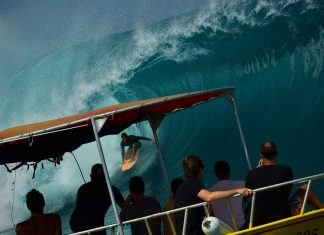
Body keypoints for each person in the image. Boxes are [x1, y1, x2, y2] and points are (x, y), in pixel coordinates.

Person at [174, 155, 251, 235]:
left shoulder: (183, 187)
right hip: (193, 232)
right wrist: (237, 191)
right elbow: (209, 197)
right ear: (200, 169)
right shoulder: (193, 184)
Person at [245, 141, 294, 227]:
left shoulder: (251, 174)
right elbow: (287, 191)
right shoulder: (286, 171)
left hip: (259, 222)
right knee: (305, 189)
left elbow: (247, 196)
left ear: (261, 156)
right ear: (276, 154)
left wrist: (256, 170)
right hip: (283, 217)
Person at [70, 164, 125, 235]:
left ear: (91, 176)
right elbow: (125, 208)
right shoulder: (112, 190)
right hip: (94, 225)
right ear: (106, 176)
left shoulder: (83, 188)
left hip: (76, 223)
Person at [208, 161, 245, 230]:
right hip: (241, 226)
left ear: (216, 173)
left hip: (223, 229)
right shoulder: (241, 184)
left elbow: (210, 212)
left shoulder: (210, 191)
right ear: (229, 171)